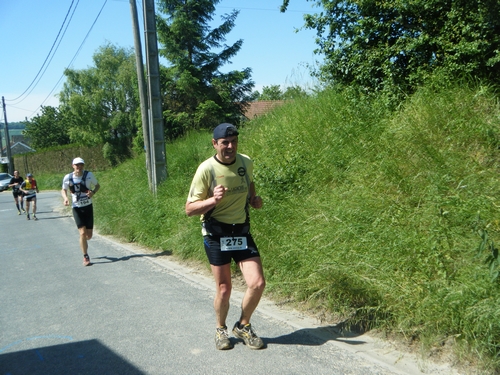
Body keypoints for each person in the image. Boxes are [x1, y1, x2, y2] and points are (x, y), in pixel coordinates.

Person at [185, 123, 266, 350]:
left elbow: (249, 184)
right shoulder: (206, 169)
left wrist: (254, 199)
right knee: (224, 289)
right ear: (215, 144)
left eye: (234, 142)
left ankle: (242, 325)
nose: (230, 147)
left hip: (240, 232)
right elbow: (189, 209)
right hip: (216, 233)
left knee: (257, 283)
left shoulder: (245, 162)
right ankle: (220, 329)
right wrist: (213, 200)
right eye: (225, 143)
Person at [61, 157, 100, 267]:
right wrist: (65, 198)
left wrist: (92, 192)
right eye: (77, 165)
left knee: (89, 235)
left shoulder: (89, 175)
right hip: (76, 207)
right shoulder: (68, 177)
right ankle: (85, 256)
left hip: (88, 206)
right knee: (82, 233)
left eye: (81, 165)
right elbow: (63, 189)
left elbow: (97, 186)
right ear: (73, 166)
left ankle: (84, 243)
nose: (79, 167)